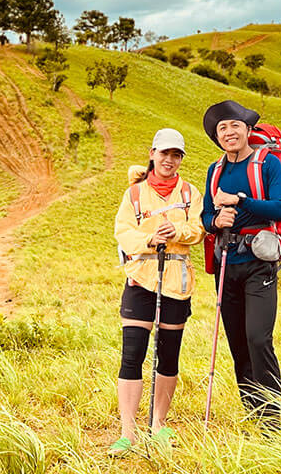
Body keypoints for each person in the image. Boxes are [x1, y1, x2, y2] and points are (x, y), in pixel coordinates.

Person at [110, 127, 204, 457]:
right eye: (164, 153)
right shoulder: (134, 194)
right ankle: (128, 433)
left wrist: (177, 229)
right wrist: (149, 239)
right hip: (141, 280)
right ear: (152, 154)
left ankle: (159, 425)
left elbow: (199, 229)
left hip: (177, 281)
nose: (169, 160)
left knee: (168, 354)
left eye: (176, 155)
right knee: (132, 354)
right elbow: (123, 231)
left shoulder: (190, 192)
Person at [200, 99, 281, 426]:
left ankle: (272, 420)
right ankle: (253, 412)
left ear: (248, 130)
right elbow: (205, 216)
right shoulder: (215, 170)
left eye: (235, 125)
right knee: (238, 342)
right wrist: (216, 221)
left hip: (258, 263)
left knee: (257, 337)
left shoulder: (267, 164)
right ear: (217, 137)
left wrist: (241, 201)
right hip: (227, 261)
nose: (229, 132)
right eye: (222, 128)